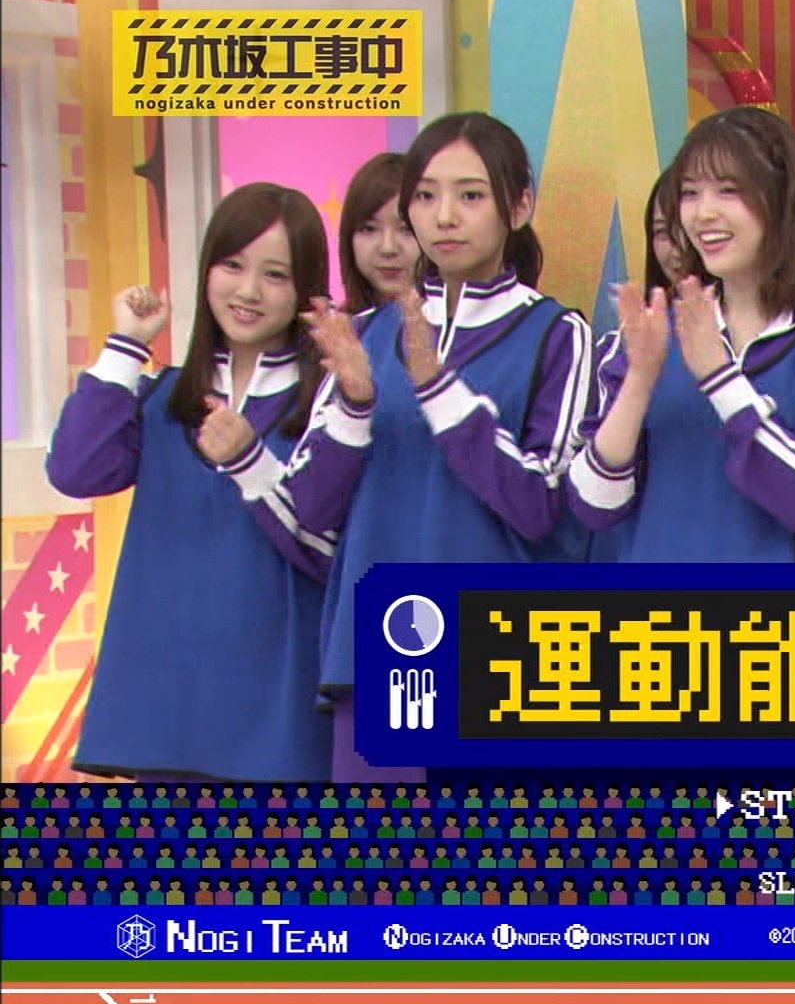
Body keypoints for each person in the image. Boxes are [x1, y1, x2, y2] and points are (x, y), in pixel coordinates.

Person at [281, 112, 594, 779]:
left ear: (520, 206)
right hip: (379, 646)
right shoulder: (365, 334)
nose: (444, 216)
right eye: (425, 196)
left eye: (470, 195)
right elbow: (308, 507)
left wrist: (440, 391)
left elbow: (543, 507)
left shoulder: (556, 334)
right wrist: (356, 405)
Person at [48, 183, 334, 780]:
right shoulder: (164, 398)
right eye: (232, 265)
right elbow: (76, 469)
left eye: (275, 275)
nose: (248, 291)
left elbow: (332, 548)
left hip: (279, 715)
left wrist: (252, 460)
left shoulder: (333, 407)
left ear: (306, 291)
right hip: (164, 711)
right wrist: (127, 345)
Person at [567, 107, 795, 562]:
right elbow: (594, 505)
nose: (703, 213)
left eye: (729, 191)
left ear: (783, 199)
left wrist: (719, 376)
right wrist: (639, 380)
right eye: (690, 193)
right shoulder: (654, 334)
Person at [338, 153, 420, 314]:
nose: (388, 248)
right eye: (369, 229)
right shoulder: (337, 326)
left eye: (406, 229)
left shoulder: (458, 325)